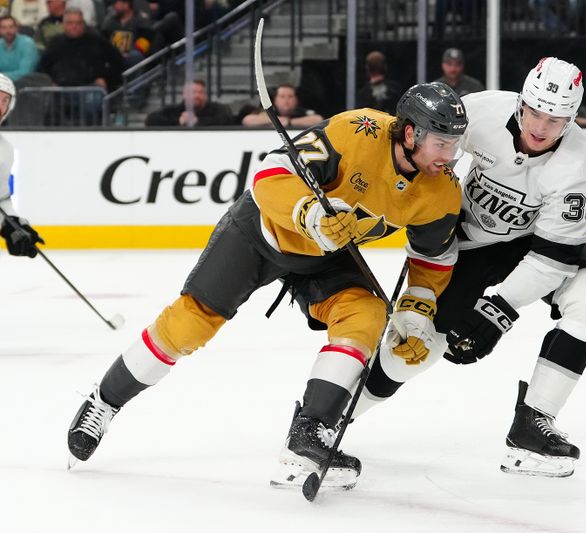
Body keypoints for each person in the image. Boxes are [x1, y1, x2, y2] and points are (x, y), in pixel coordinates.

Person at [66, 82, 469, 491]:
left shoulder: (442, 190)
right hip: (262, 233)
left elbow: (432, 257)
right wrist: (311, 215)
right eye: (440, 143)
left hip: (326, 256)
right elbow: (271, 172)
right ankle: (103, 401)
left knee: (365, 315)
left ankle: (309, 433)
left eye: (455, 144)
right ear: (409, 133)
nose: (448, 155)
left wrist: (415, 308)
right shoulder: (357, 130)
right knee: (189, 326)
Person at [355, 57, 586, 479]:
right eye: (535, 112)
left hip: (533, 244)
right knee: (413, 351)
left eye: (556, 118)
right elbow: (421, 155)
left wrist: (500, 309)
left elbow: (552, 260)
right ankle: (336, 414)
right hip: (466, 244)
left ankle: (532, 425)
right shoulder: (482, 111)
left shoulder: (579, 164)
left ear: (571, 118)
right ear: (521, 103)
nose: (542, 127)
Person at [0, 73, 44, 258]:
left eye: (4, 100)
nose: (0, 106)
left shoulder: (4, 150)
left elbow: (1, 200)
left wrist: (14, 224)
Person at [145, 79, 232, 126]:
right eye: (193, 92)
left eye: (201, 92)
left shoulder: (216, 109)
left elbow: (227, 119)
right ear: (184, 94)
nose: (197, 96)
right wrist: (179, 121)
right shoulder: (174, 110)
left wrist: (198, 121)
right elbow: (151, 119)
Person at [240, 84, 323, 129]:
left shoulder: (303, 112)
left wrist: (290, 122)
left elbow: (318, 120)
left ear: (296, 100)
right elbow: (247, 120)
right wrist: (277, 121)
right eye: (282, 97)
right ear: (275, 100)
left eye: (290, 96)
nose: (286, 100)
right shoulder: (268, 112)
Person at [101, 0, 154, 69]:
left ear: (126, 4)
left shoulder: (141, 20)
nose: (113, 6)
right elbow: (104, 39)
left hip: (132, 55)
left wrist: (128, 54)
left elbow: (146, 40)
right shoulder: (110, 22)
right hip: (114, 55)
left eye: (116, 3)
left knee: (135, 56)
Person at [0, 15, 39, 81]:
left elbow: (25, 73)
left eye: (11, 27)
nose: (8, 31)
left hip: (25, 85)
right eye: (3, 28)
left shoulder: (28, 44)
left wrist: (1, 77)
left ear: (16, 28)